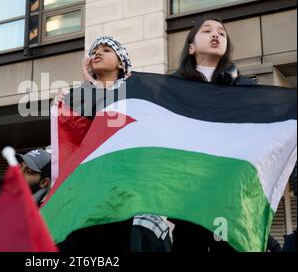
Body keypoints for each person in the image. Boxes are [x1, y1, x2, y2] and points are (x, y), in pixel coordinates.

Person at [55, 36, 172, 252]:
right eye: (95, 50)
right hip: (86, 196)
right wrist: (65, 104)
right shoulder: (75, 98)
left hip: (122, 195)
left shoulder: (138, 93)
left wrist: (93, 90)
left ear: (121, 63)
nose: (97, 53)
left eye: (106, 50)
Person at [170, 16, 256, 252]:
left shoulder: (246, 89)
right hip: (188, 199)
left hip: (231, 197)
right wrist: (85, 94)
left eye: (221, 32)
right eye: (207, 31)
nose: (216, 35)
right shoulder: (170, 89)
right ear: (191, 47)